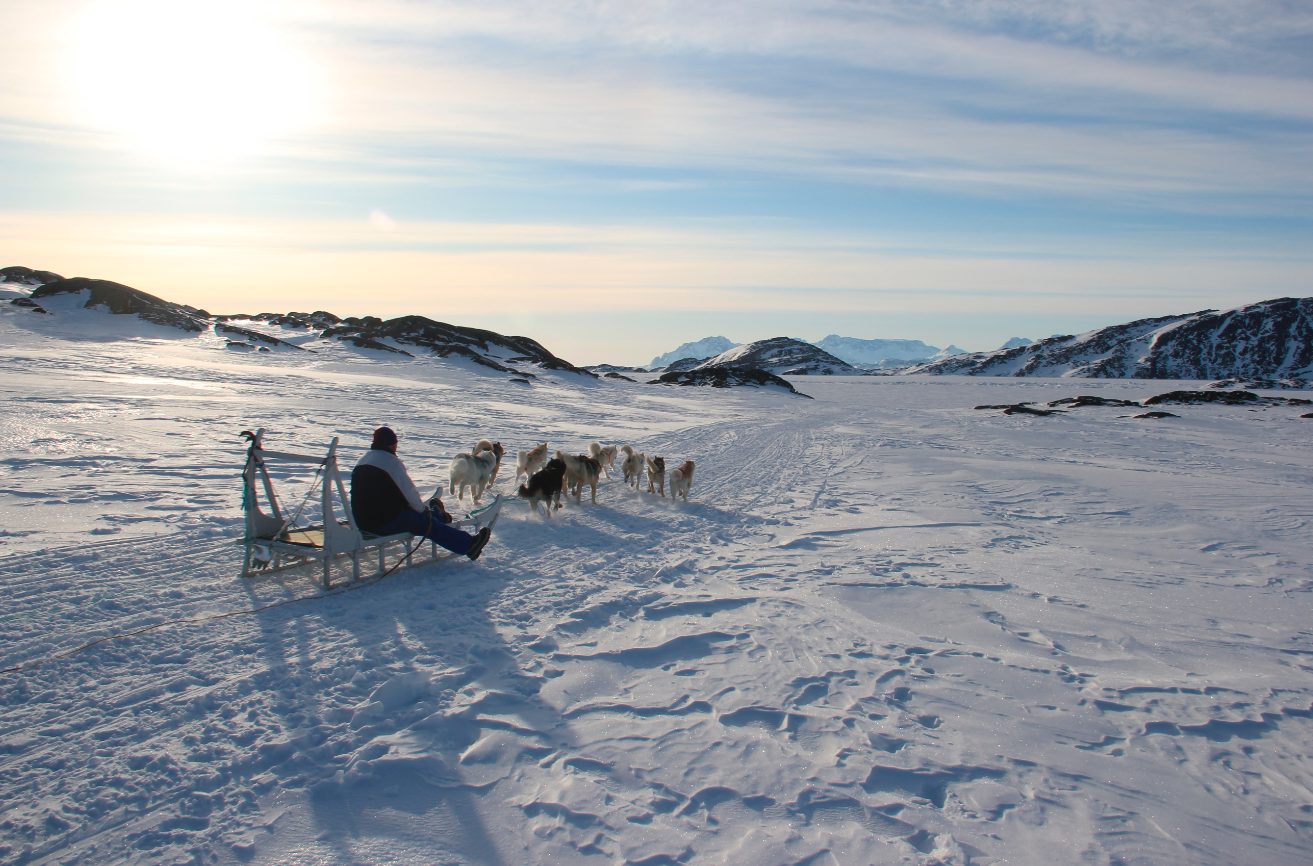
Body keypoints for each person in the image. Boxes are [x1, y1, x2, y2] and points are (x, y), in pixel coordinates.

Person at [350, 426, 492, 560]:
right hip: (383, 522)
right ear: (392, 444)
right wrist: (424, 511)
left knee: (413, 514)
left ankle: (439, 515)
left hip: (360, 520)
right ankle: (469, 545)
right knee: (427, 524)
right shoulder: (390, 462)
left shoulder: (363, 460)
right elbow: (409, 494)